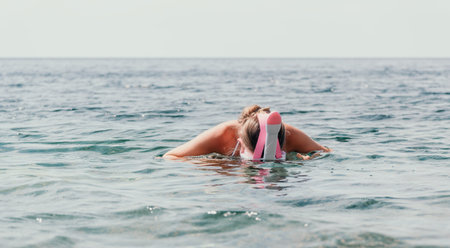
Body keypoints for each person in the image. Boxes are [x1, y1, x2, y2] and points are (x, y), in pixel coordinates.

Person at [163, 105, 331, 160]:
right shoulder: (224, 134)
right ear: (239, 143)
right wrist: (211, 163)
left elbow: (326, 153)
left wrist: (304, 160)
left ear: (284, 144)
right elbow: (170, 157)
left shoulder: (289, 134)